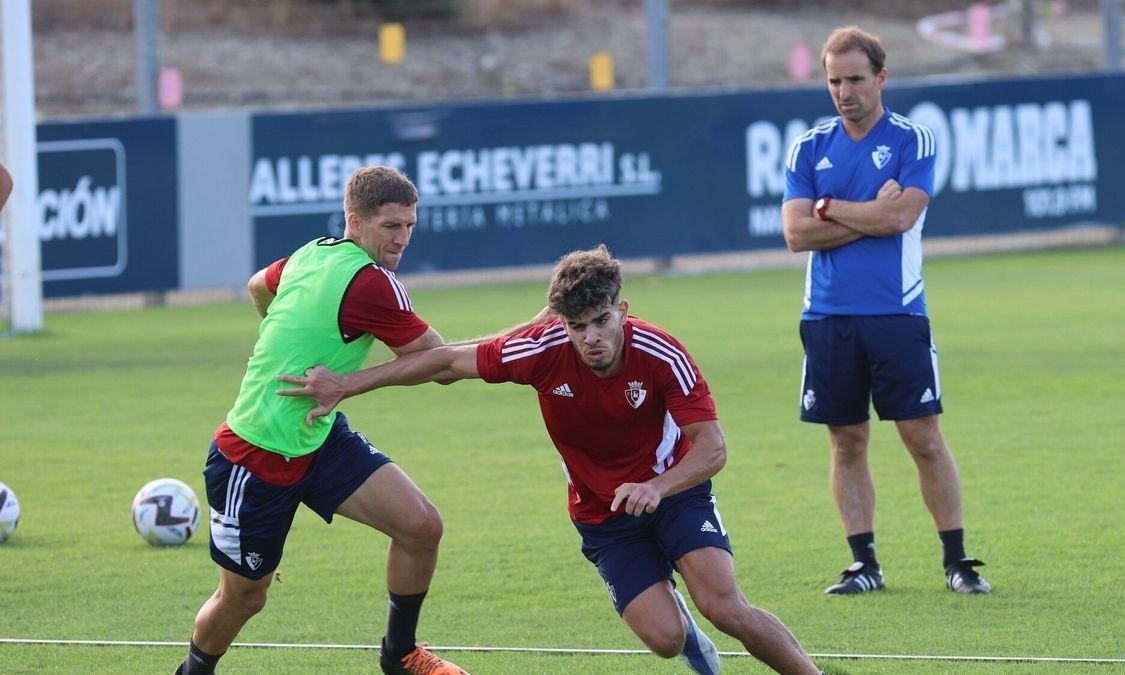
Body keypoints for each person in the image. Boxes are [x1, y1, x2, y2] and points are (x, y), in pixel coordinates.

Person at [278, 245, 825, 675]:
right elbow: (442, 362)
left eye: (602, 322)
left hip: (673, 491)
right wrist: (346, 385)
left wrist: (658, 486)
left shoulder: (663, 353)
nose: (591, 337)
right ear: (560, 324)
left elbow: (713, 448)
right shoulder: (539, 351)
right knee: (663, 640)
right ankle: (678, 623)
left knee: (724, 606)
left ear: (623, 312)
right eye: (577, 325)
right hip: (601, 513)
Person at [177, 166, 538, 675]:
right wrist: (534, 328)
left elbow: (258, 287)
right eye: (391, 226)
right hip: (253, 457)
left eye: (410, 225)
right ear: (356, 221)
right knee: (243, 598)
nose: (403, 238)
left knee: (420, 526)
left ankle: (401, 655)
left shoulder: (313, 252)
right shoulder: (371, 284)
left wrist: (292, 339)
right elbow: (442, 366)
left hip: (318, 436)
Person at [780, 26, 990, 596]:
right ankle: (863, 564)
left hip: (897, 315)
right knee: (846, 442)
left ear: (881, 78)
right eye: (833, 81)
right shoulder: (808, 146)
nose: (844, 91)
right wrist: (864, 211)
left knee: (922, 437)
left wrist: (831, 210)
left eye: (854, 79)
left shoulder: (912, 139)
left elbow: (900, 220)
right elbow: (797, 235)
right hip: (826, 317)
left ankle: (957, 561)